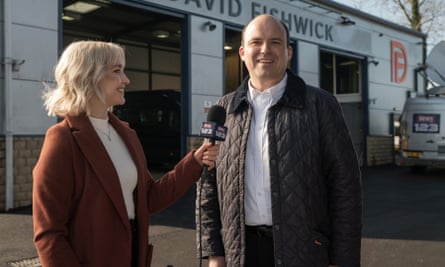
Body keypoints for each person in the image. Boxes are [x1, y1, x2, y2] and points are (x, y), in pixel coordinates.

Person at [32, 40, 219, 267]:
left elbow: (150, 197)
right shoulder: (63, 139)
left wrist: (194, 161)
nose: (126, 80)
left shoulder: (126, 134)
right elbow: (49, 234)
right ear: (89, 76)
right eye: (117, 71)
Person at [196, 14, 362, 267]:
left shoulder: (320, 106)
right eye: (256, 42)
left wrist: (342, 260)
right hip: (240, 253)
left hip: (305, 252)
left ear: (288, 52)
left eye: (275, 42)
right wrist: (214, 253)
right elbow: (207, 188)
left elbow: (345, 187)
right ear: (242, 52)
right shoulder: (224, 110)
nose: (265, 50)